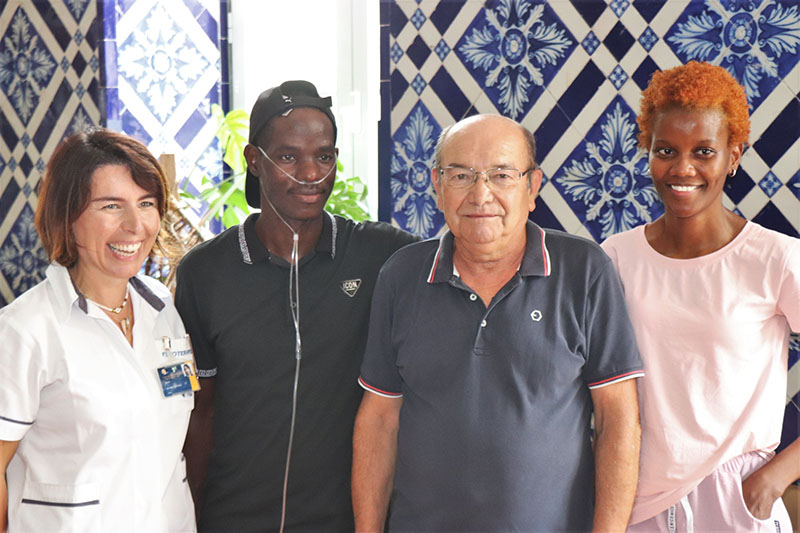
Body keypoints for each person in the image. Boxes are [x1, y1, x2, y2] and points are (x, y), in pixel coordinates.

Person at [352, 114, 644, 531]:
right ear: (437, 187)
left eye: (501, 175)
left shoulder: (585, 271)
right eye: (461, 176)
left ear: (532, 187)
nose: (480, 194)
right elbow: (379, 420)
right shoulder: (401, 276)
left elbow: (618, 420)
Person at [176, 80, 418, 531]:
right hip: (234, 519)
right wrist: (192, 516)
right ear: (253, 159)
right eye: (288, 157)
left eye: (324, 157)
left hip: (342, 520)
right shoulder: (206, 272)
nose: (311, 174)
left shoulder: (380, 256)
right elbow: (199, 412)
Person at [602, 61, 799, 531]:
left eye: (704, 151)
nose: (682, 168)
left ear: (733, 156)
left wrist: (776, 477)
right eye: (666, 150)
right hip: (637, 502)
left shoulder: (775, 258)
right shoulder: (617, 256)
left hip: (737, 501)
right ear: (648, 151)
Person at [0, 129, 196, 531]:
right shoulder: (25, 329)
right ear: (67, 216)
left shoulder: (162, 308)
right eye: (111, 206)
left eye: (146, 203)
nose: (135, 225)